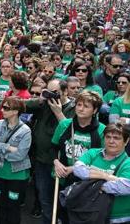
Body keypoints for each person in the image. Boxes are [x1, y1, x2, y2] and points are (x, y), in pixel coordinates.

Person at [24, 79, 76, 224]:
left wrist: (58, 113)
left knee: (63, 200)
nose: (51, 96)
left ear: (65, 92)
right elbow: (23, 105)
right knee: (45, 198)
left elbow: (72, 133)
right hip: (42, 160)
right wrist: (41, 99)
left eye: (55, 93)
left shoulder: (74, 107)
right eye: (48, 92)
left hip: (62, 163)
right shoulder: (45, 102)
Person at [51, 90, 105, 224]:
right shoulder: (64, 124)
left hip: (86, 184)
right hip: (62, 177)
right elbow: (53, 147)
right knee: (61, 215)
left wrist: (74, 168)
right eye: (79, 105)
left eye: (86, 106)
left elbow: (101, 159)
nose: (81, 109)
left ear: (95, 110)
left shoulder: (102, 130)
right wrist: (56, 162)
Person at [71, 123, 130, 224]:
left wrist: (90, 185)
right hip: (90, 213)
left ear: (126, 141)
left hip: (118, 218)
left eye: (116, 138)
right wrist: (105, 176)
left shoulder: (128, 163)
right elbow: (78, 169)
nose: (111, 141)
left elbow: (125, 187)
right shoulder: (93, 153)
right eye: (108, 137)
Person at [0, 96, 32, 224]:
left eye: (6, 108)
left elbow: (20, 155)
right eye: (3, 107)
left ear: (16, 111)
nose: (2, 110)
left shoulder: (25, 130)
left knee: (13, 207)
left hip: (17, 176)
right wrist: (7, 147)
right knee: (1, 205)